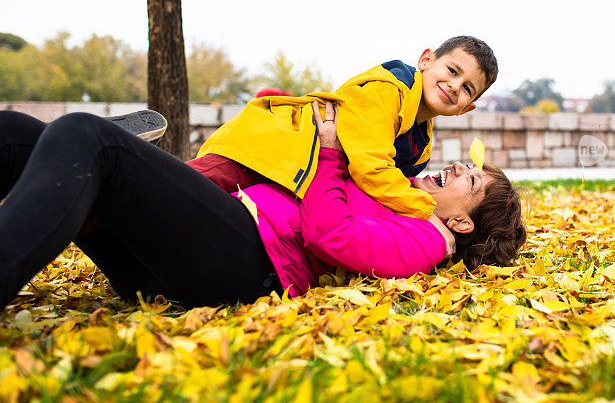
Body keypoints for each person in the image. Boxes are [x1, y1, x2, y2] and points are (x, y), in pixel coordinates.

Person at [0, 103, 526, 308]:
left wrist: (330, 155)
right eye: (467, 164)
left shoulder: (426, 239)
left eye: (471, 180)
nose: (459, 167)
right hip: (198, 252)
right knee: (18, 132)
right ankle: (99, 164)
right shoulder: (403, 196)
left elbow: (331, 237)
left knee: (89, 138)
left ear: (460, 220)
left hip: (245, 262)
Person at [188, 36, 498, 219]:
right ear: (426, 60)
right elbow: (372, 169)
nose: (455, 85)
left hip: (290, 178)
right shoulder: (388, 91)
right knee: (189, 186)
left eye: (468, 88)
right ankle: (141, 162)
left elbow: (385, 191)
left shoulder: (421, 143)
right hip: (265, 149)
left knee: (209, 215)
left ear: (466, 109)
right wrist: (428, 210)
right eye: (452, 70)